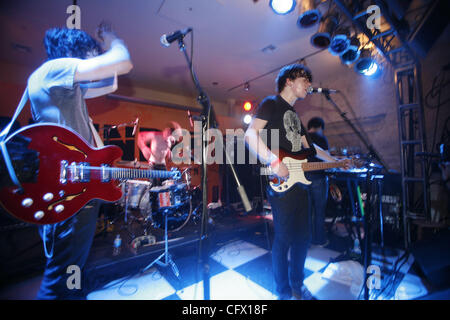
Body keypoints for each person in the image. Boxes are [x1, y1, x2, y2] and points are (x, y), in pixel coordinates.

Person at [27, 23, 132, 299]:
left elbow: (111, 80)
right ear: (72, 52)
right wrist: (112, 38)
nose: (91, 60)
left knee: (70, 272)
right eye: (88, 54)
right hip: (69, 189)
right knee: (59, 280)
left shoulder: (68, 89)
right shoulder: (54, 70)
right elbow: (122, 63)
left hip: (78, 187)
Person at [245, 64, 349, 300]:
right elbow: (250, 135)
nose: (309, 85)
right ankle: (282, 292)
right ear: (289, 81)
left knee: (303, 239)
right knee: (283, 239)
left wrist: (336, 161)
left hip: (301, 183)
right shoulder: (271, 103)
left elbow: (312, 148)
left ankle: (297, 285)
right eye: (305, 80)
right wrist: (273, 161)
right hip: (281, 184)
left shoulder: (294, 116)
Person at [306, 117, 330, 247]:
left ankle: (307, 241)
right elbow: (327, 158)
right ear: (320, 127)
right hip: (318, 178)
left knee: (307, 211)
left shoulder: (301, 138)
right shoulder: (321, 139)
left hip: (303, 178)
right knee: (319, 210)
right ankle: (319, 240)